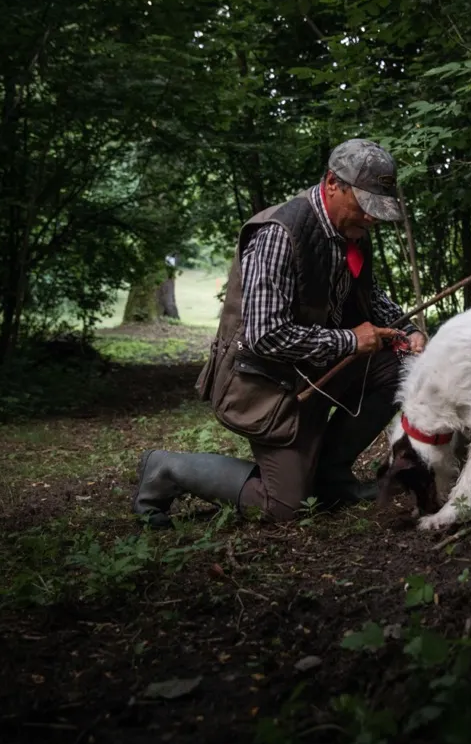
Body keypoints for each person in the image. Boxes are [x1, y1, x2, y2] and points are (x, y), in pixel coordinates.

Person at [132, 138, 426, 528]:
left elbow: (367, 295)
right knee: (283, 506)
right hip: (270, 385)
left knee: (406, 365)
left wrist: (408, 330)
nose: (371, 219)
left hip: (317, 371)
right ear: (332, 183)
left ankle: (331, 477)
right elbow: (264, 335)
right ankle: (166, 468)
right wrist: (351, 341)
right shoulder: (280, 234)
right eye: (365, 205)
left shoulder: (350, 232)